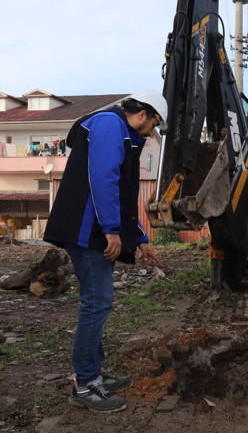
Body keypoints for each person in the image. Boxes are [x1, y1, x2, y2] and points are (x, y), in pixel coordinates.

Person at [43, 89, 166, 413]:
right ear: (142, 114)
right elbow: (103, 179)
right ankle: (84, 386)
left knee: (97, 301)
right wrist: (111, 230)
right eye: (153, 124)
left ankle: (94, 374)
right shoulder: (110, 125)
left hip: (94, 232)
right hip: (87, 233)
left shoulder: (123, 134)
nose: (151, 133)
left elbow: (125, 196)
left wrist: (140, 238)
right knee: (97, 302)